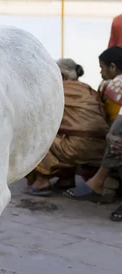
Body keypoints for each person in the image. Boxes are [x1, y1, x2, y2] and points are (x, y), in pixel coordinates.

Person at [25, 58, 109, 196]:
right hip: (100, 146)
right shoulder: (88, 89)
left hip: (77, 146)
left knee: (34, 137)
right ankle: (66, 180)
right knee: (65, 135)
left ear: (62, 76)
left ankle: (41, 181)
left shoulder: (59, 89)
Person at [66, 46, 122, 216]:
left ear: (112, 67)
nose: (100, 72)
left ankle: (97, 181)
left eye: (101, 67)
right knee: (116, 141)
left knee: (115, 140)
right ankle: (98, 180)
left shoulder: (114, 84)